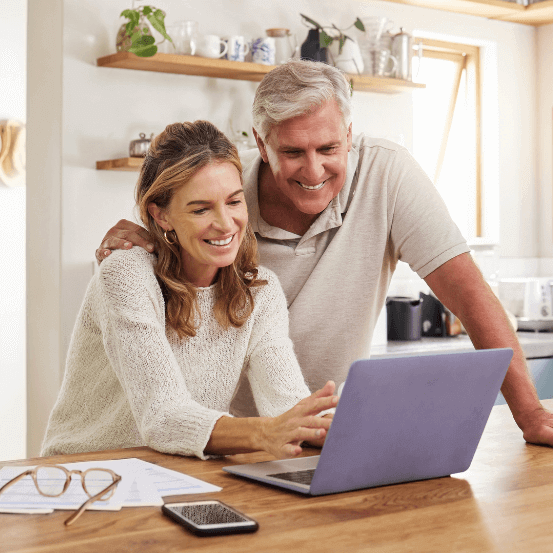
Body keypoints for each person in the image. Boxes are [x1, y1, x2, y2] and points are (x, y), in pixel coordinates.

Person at [95, 60, 553, 446]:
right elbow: (164, 410)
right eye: (293, 151)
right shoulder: (229, 199)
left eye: (328, 148)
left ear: (350, 135)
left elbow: (470, 295)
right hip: (217, 438)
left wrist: (530, 414)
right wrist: (155, 246)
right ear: (261, 142)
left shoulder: (385, 178)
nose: (313, 170)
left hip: (299, 433)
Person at [41, 120, 337, 460]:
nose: (226, 224)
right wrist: (266, 432)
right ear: (161, 215)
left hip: (181, 474)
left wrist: (350, 429)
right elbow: (163, 416)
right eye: (201, 209)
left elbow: (287, 405)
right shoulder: (127, 274)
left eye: (234, 201)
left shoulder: (260, 292)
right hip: (83, 477)